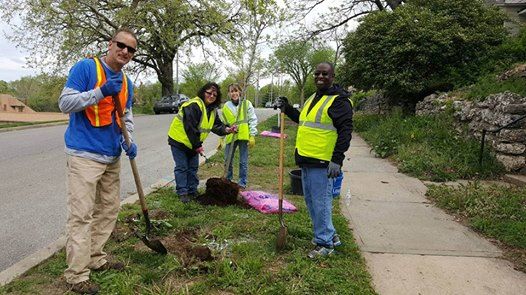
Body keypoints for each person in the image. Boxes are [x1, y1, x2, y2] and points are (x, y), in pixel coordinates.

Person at [58, 28, 138, 294]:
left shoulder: (128, 83)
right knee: (81, 215)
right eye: (121, 45)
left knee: (109, 209)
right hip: (83, 154)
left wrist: (130, 139)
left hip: (111, 155)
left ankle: (95, 257)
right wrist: (101, 91)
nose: (125, 51)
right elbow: (65, 103)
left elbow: (125, 116)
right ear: (110, 44)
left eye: (131, 49)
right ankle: (77, 275)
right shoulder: (86, 68)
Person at [276, 62, 353, 259]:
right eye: (317, 73)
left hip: (323, 161)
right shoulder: (314, 97)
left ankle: (324, 243)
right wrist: (287, 108)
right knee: (312, 201)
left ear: (332, 76)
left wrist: (337, 159)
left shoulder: (339, 101)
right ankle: (330, 234)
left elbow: (345, 132)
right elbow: (303, 120)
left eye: (325, 74)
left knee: (321, 202)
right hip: (307, 158)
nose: (320, 77)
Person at [167, 82, 237, 203]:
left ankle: (192, 190)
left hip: (193, 143)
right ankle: (183, 192)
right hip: (179, 141)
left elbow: (217, 126)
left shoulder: (212, 110)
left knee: (193, 167)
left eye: (214, 95)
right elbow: (190, 127)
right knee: (182, 167)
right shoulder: (194, 105)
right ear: (203, 92)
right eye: (209, 93)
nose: (211, 96)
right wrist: (197, 146)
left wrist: (227, 129)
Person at [221, 83, 258, 189]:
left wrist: (252, 135)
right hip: (230, 136)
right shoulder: (226, 107)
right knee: (228, 159)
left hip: (243, 136)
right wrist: (221, 138)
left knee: (243, 161)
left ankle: (242, 183)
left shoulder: (246, 104)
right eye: (232, 91)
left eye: (236, 91)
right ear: (229, 93)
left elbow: (252, 119)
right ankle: (228, 180)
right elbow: (224, 124)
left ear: (240, 92)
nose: (234, 93)